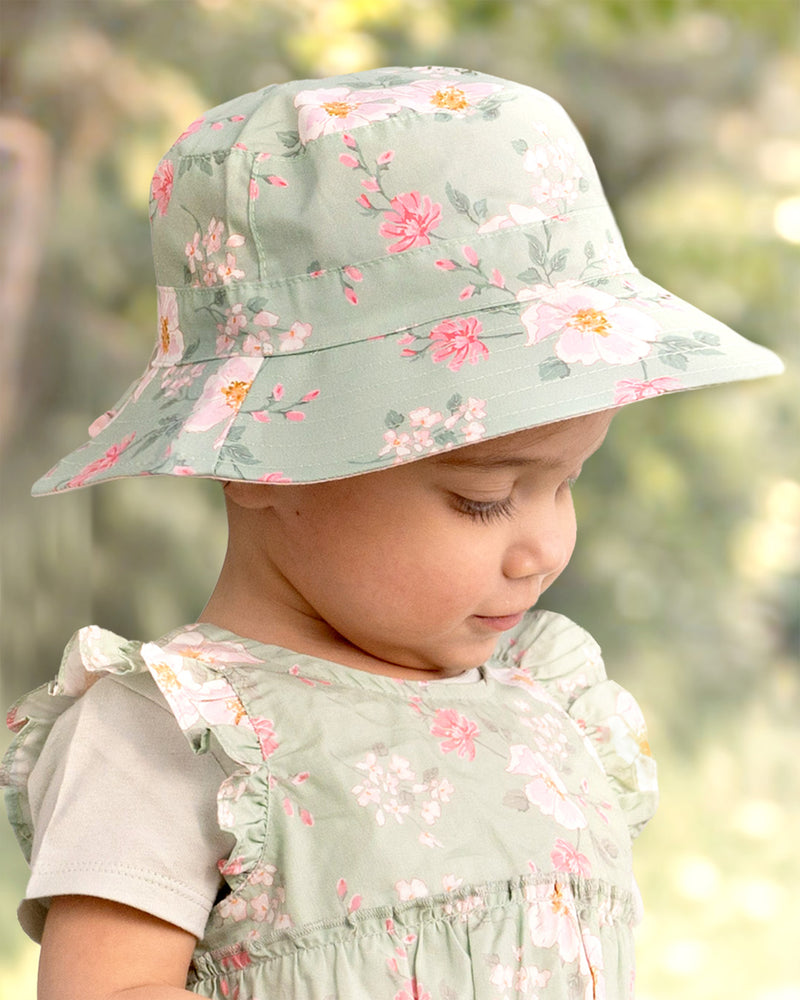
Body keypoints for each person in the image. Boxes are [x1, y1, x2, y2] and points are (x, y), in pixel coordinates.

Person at [2, 66, 782, 1000]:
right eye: (485, 497)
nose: (545, 548)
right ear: (256, 454)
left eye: (567, 482)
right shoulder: (177, 736)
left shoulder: (550, 703)